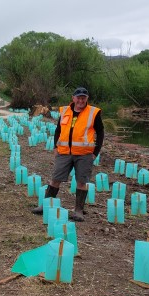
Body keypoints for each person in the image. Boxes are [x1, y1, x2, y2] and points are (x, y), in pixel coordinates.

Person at [32, 87, 104, 221]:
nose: (81, 100)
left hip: (84, 154)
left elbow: (100, 133)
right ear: (73, 98)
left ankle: (78, 211)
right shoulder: (65, 111)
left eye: (83, 98)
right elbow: (58, 130)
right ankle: (45, 206)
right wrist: (55, 146)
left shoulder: (93, 113)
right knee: (55, 179)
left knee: (82, 182)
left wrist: (95, 152)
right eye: (79, 97)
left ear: (87, 99)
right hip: (64, 152)